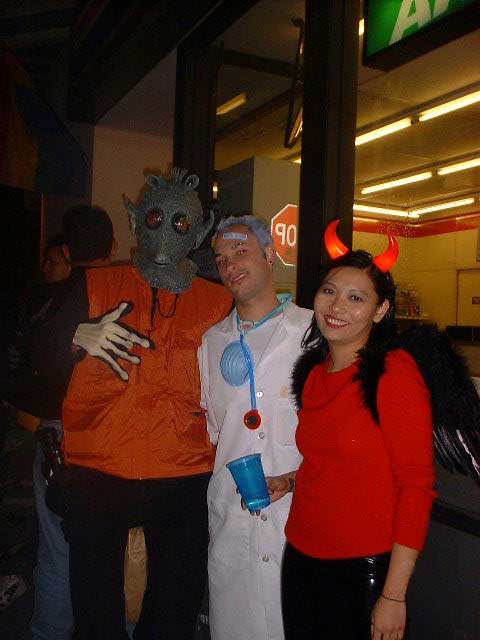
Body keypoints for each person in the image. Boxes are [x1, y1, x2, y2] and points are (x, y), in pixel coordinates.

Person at [53, 169, 232, 639]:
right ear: (135, 221)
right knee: (95, 605)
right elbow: (38, 356)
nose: (165, 231)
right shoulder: (93, 285)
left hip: (183, 469)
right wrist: (73, 336)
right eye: (155, 218)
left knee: (175, 603)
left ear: (199, 231)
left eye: (180, 223)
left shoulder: (218, 302)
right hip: (99, 466)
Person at [264, 221, 436, 640]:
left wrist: (394, 595)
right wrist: (291, 480)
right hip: (300, 554)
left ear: (380, 310)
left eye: (356, 298)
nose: (336, 306)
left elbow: (416, 486)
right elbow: (332, 460)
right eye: (329, 291)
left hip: (364, 566)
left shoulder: (393, 372)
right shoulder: (313, 373)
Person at [198, 215, 312, 640]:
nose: (229, 265)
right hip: (234, 522)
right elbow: (217, 432)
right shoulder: (211, 343)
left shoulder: (313, 334)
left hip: (299, 519)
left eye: (240, 251)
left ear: (269, 254)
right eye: (220, 259)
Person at [24, 206, 115, 640]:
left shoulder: (49, 303)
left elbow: (32, 371)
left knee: (56, 548)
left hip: (55, 435)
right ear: (113, 246)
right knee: (113, 550)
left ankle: (49, 632)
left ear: (66, 251)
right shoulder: (124, 298)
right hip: (109, 439)